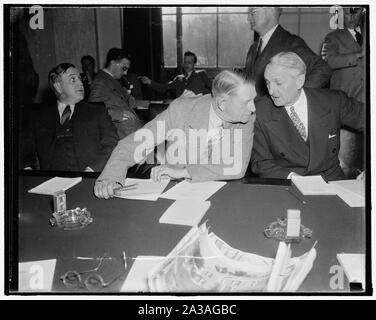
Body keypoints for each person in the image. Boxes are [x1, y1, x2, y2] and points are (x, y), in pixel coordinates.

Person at [94, 70, 256, 199]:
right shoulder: (182, 110)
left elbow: (236, 166)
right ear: (222, 103)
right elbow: (136, 142)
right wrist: (111, 176)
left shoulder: (246, 117)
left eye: (253, 100)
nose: (253, 108)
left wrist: (183, 172)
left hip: (224, 194)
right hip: (180, 194)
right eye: (246, 102)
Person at [251, 52, 364, 181]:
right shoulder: (259, 110)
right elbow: (261, 163)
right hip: (287, 182)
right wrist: (294, 179)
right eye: (267, 82)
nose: (271, 91)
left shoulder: (333, 101)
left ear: (300, 81)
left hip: (331, 181)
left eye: (278, 83)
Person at [23, 63, 119, 172]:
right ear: (58, 86)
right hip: (50, 182)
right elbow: (24, 151)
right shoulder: (38, 117)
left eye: (80, 78)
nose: (80, 83)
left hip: (90, 178)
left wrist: (91, 170)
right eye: (73, 79)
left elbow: (111, 143)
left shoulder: (97, 112)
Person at [245, 7, 332, 97]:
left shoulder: (291, 42)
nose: (248, 18)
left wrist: (295, 96)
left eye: (253, 12)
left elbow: (323, 70)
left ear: (271, 11)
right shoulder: (254, 47)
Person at [322, 6, 365, 178]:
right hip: (347, 112)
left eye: (356, 12)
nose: (352, 17)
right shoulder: (333, 38)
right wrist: (358, 54)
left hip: (368, 111)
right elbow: (328, 61)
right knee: (344, 164)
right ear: (341, 14)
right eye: (348, 13)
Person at [89, 48, 142, 139]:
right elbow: (93, 108)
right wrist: (119, 114)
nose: (125, 73)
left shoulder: (113, 80)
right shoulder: (101, 81)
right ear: (113, 63)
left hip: (130, 134)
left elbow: (131, 102)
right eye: (123, 68)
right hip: (119, 137)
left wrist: (154, 103)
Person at [140, 51, 212, 98]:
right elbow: (164, 88)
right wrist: (149, 82)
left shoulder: (201, 74)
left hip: (198, 107)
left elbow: (213, 87)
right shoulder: (179, 78)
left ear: (195, 64)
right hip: (182, 108)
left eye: (189, 62)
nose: (186, 65)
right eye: (185, 62)